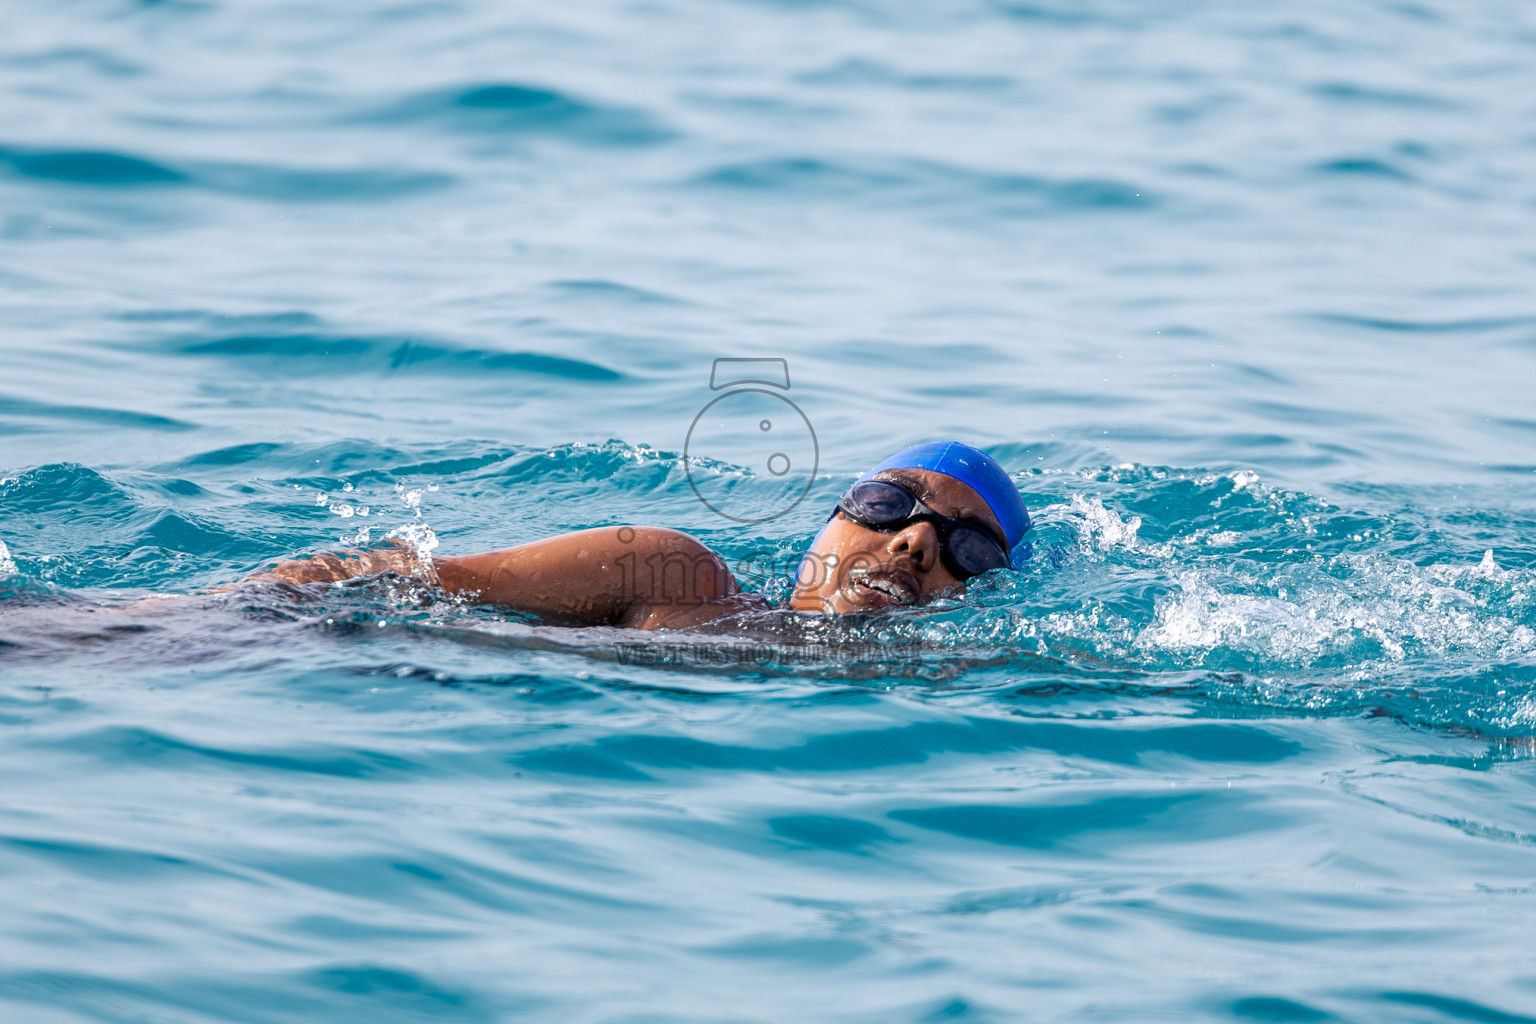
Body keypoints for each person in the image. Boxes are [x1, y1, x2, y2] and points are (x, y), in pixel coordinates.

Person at [246, 441, 1031, 629]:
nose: (914, 543)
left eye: (968, 548)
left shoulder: (961, 685)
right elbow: (394, 577)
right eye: (889, 502)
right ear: (827, 523)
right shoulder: (669, 577)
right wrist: (198, 626)